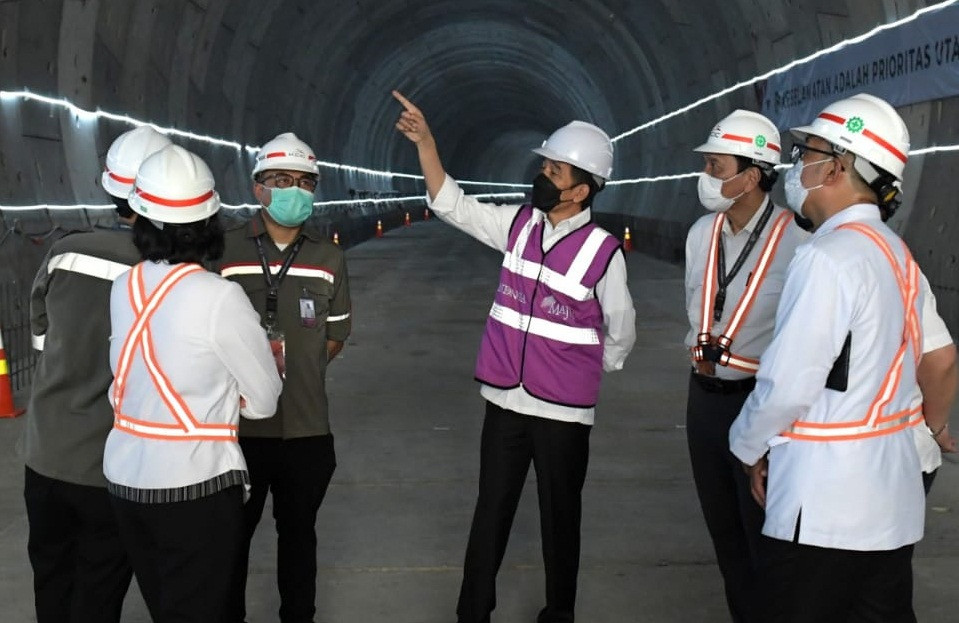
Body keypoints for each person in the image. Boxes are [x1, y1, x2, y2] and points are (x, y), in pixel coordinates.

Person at [393, 90, 636, 623]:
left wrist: (587, 371)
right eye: (544, 165)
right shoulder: (519, 226)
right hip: (505, 400)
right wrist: (428, 144)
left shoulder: (602, 252)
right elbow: (453, 205)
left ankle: (560, 613)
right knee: (491, 512)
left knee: (559, 519)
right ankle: (473, 610)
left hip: (563, 415)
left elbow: (620, 331)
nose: (543, 175)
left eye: (554, 169)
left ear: (582, 188)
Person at [729, 93, 951, 622]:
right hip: (889, 503)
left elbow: (788, 383)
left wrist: (746, 445)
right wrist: (927, 433)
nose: (799, 163)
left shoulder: (826, 259)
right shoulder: (896, 253)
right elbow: (941, 358)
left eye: (809, 151)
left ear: (841, 165)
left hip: (824, 505)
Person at [103, 144, 282, 623]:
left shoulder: (124, 286)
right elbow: (264, 401)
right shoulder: (220, 297)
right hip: (195, 487)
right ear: (210, 224)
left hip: (125, 480)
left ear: (139, 219)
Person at [22, 125, 170, 623]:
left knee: (51, 575)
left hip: (46, 454)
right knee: (99, 587)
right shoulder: (169, 273)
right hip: (111, 465)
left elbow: (41, 338)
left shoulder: (66, 251)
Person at [219, 132, 352, 623]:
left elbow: (333, 341)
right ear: (258, 188)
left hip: (305, 429)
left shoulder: (328, 257)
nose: (294, 190)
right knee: (231, 541)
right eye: (282, 180)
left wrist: (290, 372)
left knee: (299, 539)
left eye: (304, 182)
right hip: (237, 432)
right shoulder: (225, 251)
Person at [683, 110, 806, 623]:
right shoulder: (699, 234)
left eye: (716, 165)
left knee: (766, 541)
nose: (706, 176)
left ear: (752, 175)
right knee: (726, 540)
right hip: (704, 403)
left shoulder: (798, 242)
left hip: (759, 404)